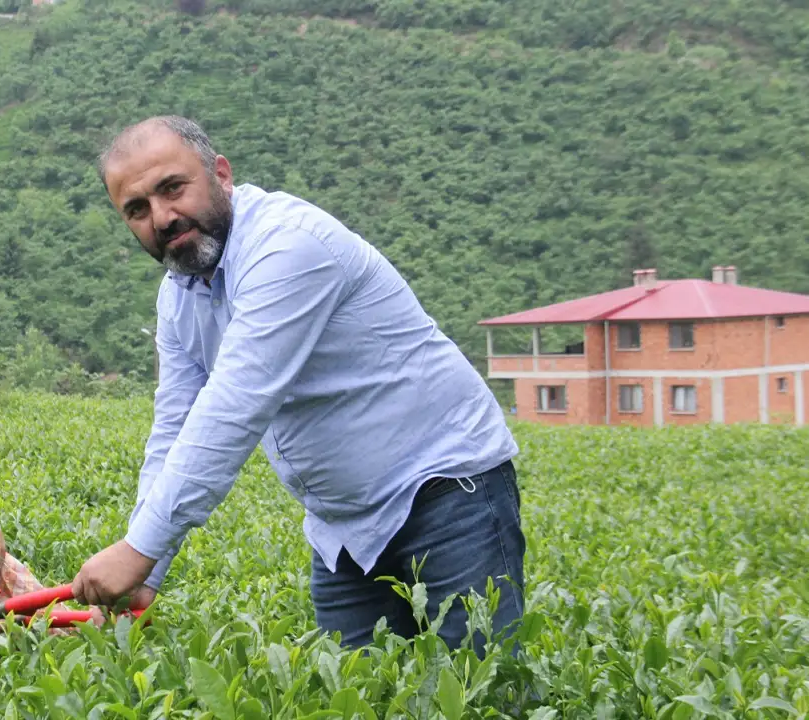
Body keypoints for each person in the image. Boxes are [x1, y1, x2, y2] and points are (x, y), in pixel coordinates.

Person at [71, 115, 526, 651]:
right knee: (358, 688)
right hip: (343, 529)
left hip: (447, 493)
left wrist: (140, 550)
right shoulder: (178, 296)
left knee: (481, 683)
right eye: (137, 209)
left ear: (220, 174)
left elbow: (234, 407)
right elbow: (175, 428)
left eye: (173, 188)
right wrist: (146, 566)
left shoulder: (288, 246)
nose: (163, 217)